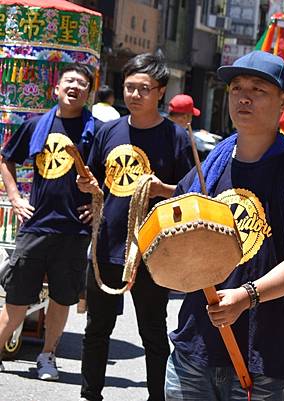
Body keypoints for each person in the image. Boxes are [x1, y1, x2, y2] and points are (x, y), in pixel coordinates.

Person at [164, 50, 284, 400]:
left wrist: (246, 296)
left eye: (258, 89)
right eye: (237, 87)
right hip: (194, 347)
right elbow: (172, 232)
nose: (244, 96)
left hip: (260, 356)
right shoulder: (207, 167)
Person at [77, 53, 194, 401]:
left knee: (153, 331)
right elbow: (97, 180)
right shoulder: (109, 131)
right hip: (108, 243)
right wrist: (89, 192)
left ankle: (157, 396)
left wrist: (162, 190)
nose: (134, 95)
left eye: (143, 88)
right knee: (97, 328)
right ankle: (90, 393)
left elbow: (192, 193)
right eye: (129, 87)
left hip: (152, 249)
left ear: (160, 92)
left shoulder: (176, 137)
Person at [0, 64, 101, 379]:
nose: (74, 87)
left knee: (62, 297)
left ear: (89, 92)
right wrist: (16, 198)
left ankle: (47, 356)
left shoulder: (96, 131)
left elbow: (110, 174)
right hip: (37, 225)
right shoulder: (36, 126)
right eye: (69, 81)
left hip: (74, 230)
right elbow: (6, 158)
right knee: (16, 299)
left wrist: (98, 202)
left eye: (81, 83)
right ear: (57, 88)